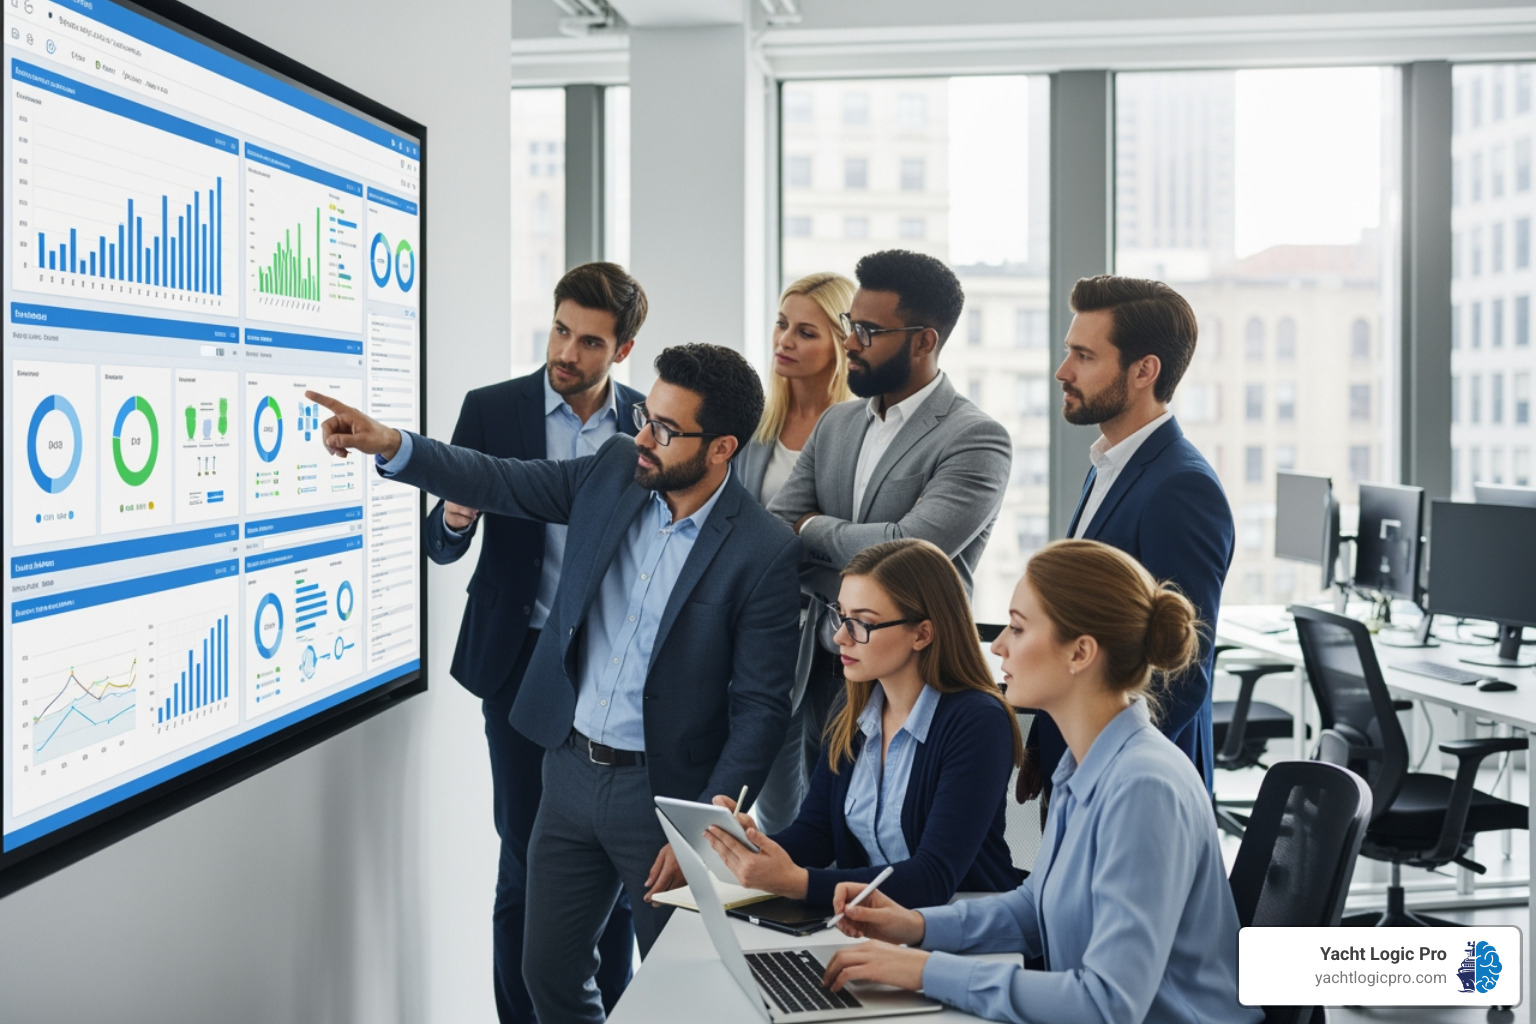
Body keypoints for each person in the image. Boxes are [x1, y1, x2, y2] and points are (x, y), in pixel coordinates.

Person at [306, 343, 800, 1024]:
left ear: (721, 449)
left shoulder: (764, 550)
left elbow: (763, 709)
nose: (643, 440)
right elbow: (501, 479)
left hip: (662, 800)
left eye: (664, 429)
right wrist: (394, 444)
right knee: (547, 975)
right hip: (567, 772)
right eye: (645, 419)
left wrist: (703, 834)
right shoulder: (614, 470)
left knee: (679, 993)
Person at [820, 540, 1261, 1024]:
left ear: (1080, 652)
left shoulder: (1143, 787)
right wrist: (915, 926)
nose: (998, 645)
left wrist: (924, 971)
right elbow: (1033, 910)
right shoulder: (1084, 766)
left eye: (1018, 627)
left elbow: (1107, 1003)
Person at [421, 262, 647, 1023]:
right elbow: (441, 546)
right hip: (517, 660)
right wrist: (455, 518)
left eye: (589, 341)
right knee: (524, 859)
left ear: (622, 350)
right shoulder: (492, 409)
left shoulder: (647, 426)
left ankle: (610, 1012)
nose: (566, 352)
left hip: (608, 670)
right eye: (559, 330)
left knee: (611, 865)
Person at [761, 249, 1012, 833]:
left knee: (894, 838)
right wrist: (828, 541)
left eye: (869, 331)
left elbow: (907, 550)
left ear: (924, 341)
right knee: (805, 836)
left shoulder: (975, 438)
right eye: (852, 325)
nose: (852, 342)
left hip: (913, 676)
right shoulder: (838, 423)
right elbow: (776, 531)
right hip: (819, 662)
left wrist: (813, 530)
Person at [703, 538, 1022, 909]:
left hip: (965, 930)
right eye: (841, 616)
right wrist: (752, 845)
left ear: (922, 634)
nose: (839, 637)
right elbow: (816, 834)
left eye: (862, 623)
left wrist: (798, 882)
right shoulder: (853, 707)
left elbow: (933, 877)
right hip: (869, 926)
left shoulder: (977, 722)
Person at [1026, 274, 1234, 799]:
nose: (1063, 371)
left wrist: (1094, 770)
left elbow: (1182, 671)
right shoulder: (1108, 464)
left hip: (1134, 787)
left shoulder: (1182, 487)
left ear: (1144, 371)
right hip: (1085, 764)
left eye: (1084, 356)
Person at [736, 272, 856, 506]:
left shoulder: (861, 431)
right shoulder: (752, 419)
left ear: (843, 344)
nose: (784, 341)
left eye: (806, 333)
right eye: (782, 324)